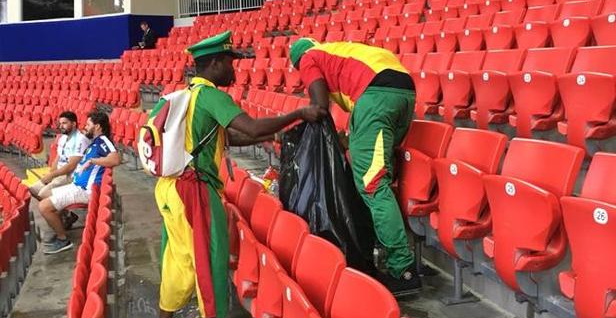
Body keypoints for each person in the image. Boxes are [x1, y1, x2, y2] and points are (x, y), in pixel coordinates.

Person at [156, 30, 325, 318]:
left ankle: (165, 313)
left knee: (178, 258)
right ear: (215, 64)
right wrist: (299, 114)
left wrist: (281, 133)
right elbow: (254, 128)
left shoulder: (187, 95)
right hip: (194, 191)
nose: (234, 68)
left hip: (169, 189)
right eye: (229, 62)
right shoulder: (210, 95)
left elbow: (229, 139)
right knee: (210, 262)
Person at [289, 38, 420, 296]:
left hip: (376, 97)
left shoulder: (308, 58)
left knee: (373, 185)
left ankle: (403, 269)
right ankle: (385, 248)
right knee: (378, 175)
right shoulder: (336, 51)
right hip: (404, 90)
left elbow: (319, 106)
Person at [38, 111, 121, 255]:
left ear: (97, 126)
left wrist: (92, 160)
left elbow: (115, 160)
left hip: (85, 190)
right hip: (78, 186)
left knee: (43, 207)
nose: (85, 127)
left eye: (88, 124)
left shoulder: (103, 141)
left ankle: (63, 239)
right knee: (45, 197)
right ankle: (62, 227)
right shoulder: (95, 142)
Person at [29, 111, 90, 202]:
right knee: (33, 189)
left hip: (70, 176)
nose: (61, 126)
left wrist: (52, 175)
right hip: (59, 173)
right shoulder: (63, 137)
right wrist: (51, 173)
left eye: (64, 123)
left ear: (74, 124)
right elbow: (58, 158)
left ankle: (61, 211)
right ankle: (65, 213)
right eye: (60, 123)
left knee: (43, 193)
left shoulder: (80, 139)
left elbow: (71, 166)